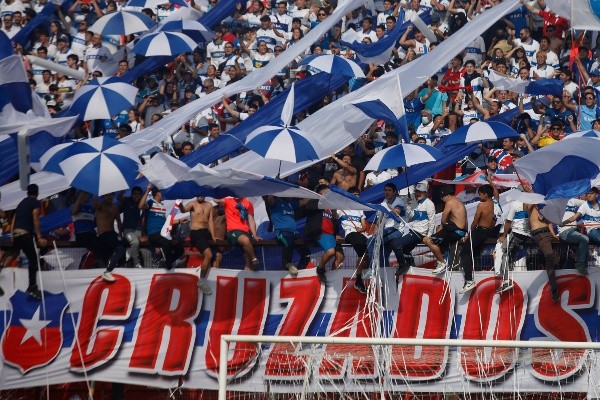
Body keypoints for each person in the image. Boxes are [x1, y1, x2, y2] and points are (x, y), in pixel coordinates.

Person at [9, 184, 47, 299]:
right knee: (33, 260)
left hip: (16, 233)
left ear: (27, 193)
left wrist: (12, 234)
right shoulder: (35, 202)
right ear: (37, 193)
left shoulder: (21, 203)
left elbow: (14, 218)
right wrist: (39, 236)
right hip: (24, 234)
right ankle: (32, 287)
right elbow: (35, 218)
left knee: (13, 254)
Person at [458, 184, 498, 294]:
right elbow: (496, 193)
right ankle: (477, 273)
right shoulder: (495, 203)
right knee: (475, 253)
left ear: (486, 195)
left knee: (464, 253)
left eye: (480, 194)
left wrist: (469, 235)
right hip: (488, 232)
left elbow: (475, 222)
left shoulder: (482, 205)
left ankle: (469, 280)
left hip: (479, 231)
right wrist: (490, 182)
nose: (479, 196)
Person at [423, 185, 468, 274]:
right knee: (438, 231)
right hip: (461, 231)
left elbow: (443, 220)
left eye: (442, 197)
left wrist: (441, 228)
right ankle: (443, 256)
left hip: (456, 231)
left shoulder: (449, 202)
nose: (441, 199)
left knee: (428, 241)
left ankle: (442, 263)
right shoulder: (458, 201)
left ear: (448, 195)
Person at [139, 184, 184, 269]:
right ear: (158, 193)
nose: (164, 194)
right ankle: (168, 265)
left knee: (180, 248)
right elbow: (140, 206)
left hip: (162, 234)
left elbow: (166, 222)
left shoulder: (162, 206)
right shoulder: (151, 203)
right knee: (167, 242)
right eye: (162, 192)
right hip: (153, 234)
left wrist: (179, 221)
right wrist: (147, 191)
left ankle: (166, 263)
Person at [367, 182, 409, 273]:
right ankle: (384, 273)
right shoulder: (384, 203)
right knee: (383, 254)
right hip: (386, 231)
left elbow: (397, 212)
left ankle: (371, 268)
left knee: (371, 242)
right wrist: (375, 233)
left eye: (389, 190)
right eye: (385, 190)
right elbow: (379, 221)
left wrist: (388, 207)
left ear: (395, 192)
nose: (387, 192)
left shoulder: (399, 201)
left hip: (397, 230)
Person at [179, 196, 216, 294]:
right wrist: (180, 204)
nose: (200, 196)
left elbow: (210, 221)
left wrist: (213, 236)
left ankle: (212, 276)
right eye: (198, 195)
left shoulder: (209, 205)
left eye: (202, 194)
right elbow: (183, 210)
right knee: (209, 255)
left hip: (206, 233)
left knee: (216, 254)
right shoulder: (193, 204)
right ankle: (202, 281)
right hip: (196, 232)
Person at [303, 184, 338, 284]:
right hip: (321, 233)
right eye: (326, 192)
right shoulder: (314, 202)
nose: (328, 194)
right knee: (331, 252)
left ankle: (334, 278)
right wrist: (321, 201)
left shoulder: (331, 207)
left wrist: (337, 233)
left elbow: (334, 221)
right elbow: (307, 207)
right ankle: (320, 268)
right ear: (320, 193)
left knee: (339, 256)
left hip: (331, 235)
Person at [265, 195, 309, 276]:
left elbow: (304, 201)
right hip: (281, 231)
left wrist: (314, 192)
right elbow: (269, 196)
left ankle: (301, 271)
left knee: (306, 252)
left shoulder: (291, 203)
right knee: (288, 242)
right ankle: (288, 263)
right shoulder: (274, 202)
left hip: (295, 232)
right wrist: (273, 188)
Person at [336, 187, 369, 294]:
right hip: (350, 233)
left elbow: (364, 226)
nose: (357, 196)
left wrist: (361, 229)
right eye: (355, 194)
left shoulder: (359, 209)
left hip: (361, 234)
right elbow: (334, 217)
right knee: (362, 252)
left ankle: (361, 279)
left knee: (368, 251)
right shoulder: (341, 207)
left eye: (358, 195)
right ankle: (358, 280)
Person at [495, 195, 531, 293]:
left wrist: (504, 235)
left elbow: (508, 221)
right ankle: (509, 275)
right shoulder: (531, 203)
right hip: (527, 235)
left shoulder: (515, 204)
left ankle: (506, 281)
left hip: (516, 232)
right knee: (511, 254)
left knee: (503, 252)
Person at [216, 197, 261, 270]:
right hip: (233, 231)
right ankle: (254, 259)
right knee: (245, 240)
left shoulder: (248, 203)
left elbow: (251, 220)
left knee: (248, 261)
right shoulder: (228, 201)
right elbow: (216, 200)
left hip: (246, 231)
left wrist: (255, 235)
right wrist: (216, 192)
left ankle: (247, 272)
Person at [527, 202, 560, 303]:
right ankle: (554, 290)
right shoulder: (529, 201)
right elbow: (526, 208)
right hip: (539, 233)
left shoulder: (544, 204)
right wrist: (535, 199)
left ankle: (554, 282)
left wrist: (553, 235)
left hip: (548, 232)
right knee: (550, 257)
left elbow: (549, 222)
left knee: (557, 257)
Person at [96, 193, 125, 282]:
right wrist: (95, 194)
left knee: (124, 245)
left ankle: (120, 268)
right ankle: (108, 271)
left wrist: (120, 234)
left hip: (112, 233)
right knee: (120, 249)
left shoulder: (115, 207)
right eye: (107, 195)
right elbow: (94, 205)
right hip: (103, 234)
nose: (109, 197)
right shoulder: (100, 205)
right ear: (103, 196)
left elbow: (119, 222)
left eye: (111, 195)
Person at [555, 195, 588, 275]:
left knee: (581, 249)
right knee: (584, 239)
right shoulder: (555, 202)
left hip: (574, 231)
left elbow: (587, 203)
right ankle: (580, 265)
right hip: (564, 231)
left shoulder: (572, 200)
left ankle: (580, 265)